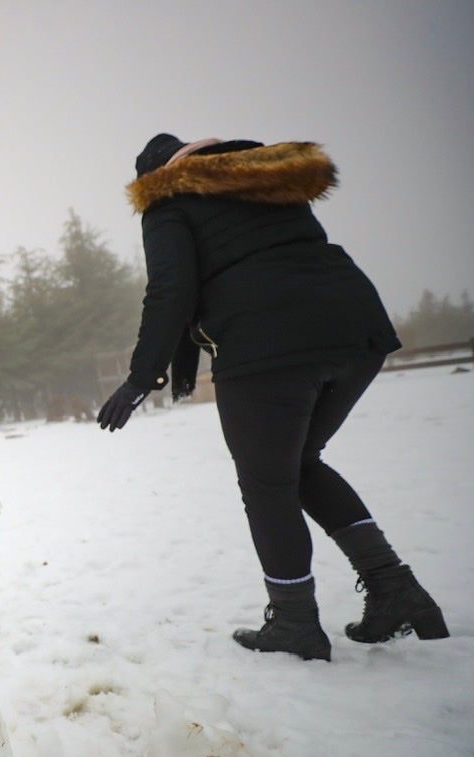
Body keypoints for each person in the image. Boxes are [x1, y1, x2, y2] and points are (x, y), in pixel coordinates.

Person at [97, 133, 447, 662]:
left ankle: (295, 622)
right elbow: (264, 263)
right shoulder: (262, 178)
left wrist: (141, 377)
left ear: (156, 176)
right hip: (355, 329)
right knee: (299, 464)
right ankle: (392, 586)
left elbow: (172, 290)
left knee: (268, 483)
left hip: (268, 347)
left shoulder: (168, 201)